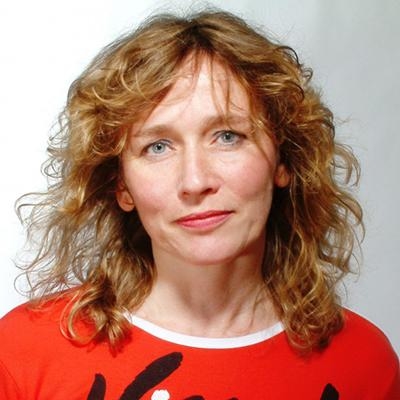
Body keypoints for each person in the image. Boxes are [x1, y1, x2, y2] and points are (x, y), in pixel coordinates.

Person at [0, 8, 399, 400]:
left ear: (283, 160)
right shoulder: (24, 353)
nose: (195, 181)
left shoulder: (365, 365)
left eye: (227, 136)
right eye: (158, 147)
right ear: (121, 186)